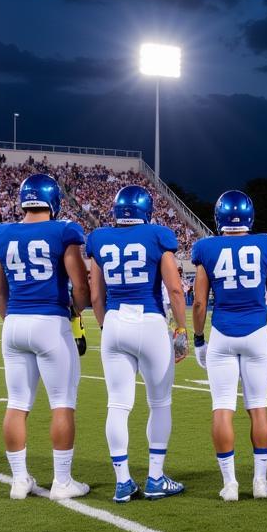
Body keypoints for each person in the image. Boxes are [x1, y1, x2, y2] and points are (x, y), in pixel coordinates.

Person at [0, 173, 90, 501]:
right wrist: (75, 311)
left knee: (16, 404)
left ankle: (19, 480)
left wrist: (13, 319)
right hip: (50, 322)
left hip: (14, 322)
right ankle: (62, 482)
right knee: (62, 403)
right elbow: (81, 287)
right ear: (53, 200)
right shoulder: (64, 230)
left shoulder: (1, 233)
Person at [86, 185, 189, 503]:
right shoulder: (158, 235)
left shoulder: (99, 238)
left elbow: (95, 296)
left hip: (115, 322)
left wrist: (105, 326)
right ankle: (156, 477)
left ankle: (122, 482)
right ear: (146, 210)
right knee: (160, 403)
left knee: (117, 404)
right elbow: (174, 290)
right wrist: (182, 329)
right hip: (149, 323)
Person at [191, 190, 267, 502]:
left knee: (222, 408)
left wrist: (199, 339)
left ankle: (230, 483)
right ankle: (260, 481)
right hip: (257, 332)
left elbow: (200, 302)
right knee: (258, 406)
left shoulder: (206, 247)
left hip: (222, 333)